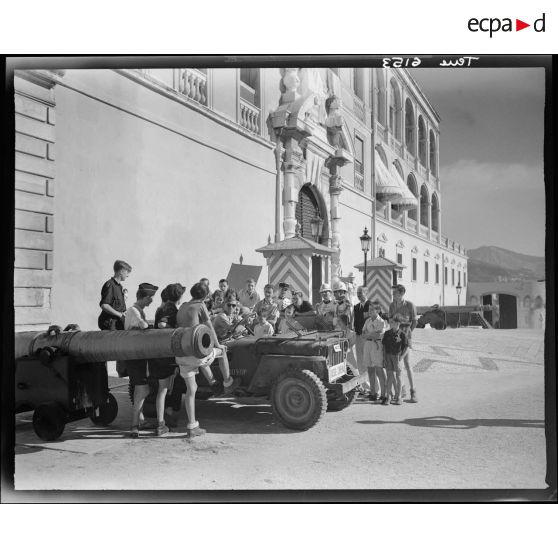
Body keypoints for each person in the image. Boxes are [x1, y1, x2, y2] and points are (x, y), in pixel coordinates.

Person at [176, 282, 233, 437]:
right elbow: (209, 326)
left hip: (181, 354)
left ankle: (192, 426)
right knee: (222, 352)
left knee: (191, 390)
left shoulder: (183, 306)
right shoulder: (200, 306)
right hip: (194, 354)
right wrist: (218, 344)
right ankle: (228, 383)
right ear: (206, 295)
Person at [149, 283, 185, 436]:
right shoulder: (170, 309)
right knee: (163, 389)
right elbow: (162, 324)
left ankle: (165, 417)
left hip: (159, 354)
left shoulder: (161, 308)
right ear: (178, 296)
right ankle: (161, 423)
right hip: (165, 355)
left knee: (166, 388)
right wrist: (175, 332)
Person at [124, 282, 158, 437]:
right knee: (142, 389)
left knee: (141, 389)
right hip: (134, 357)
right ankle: (134, 425)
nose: (151, 301)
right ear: (145, 297)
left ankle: (139, 422)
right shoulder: (133, 310)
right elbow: (142, 325)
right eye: (151, 298)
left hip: (137, 356)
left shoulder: (137, 310)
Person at [388, 284, 418, 403]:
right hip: (395, 338)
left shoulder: (410, 305)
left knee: (407, 364)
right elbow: (390, 320)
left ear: (401, 293)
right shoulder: (391, 305)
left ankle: (413, 391)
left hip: (406, 338)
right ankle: (403, 388)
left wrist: (407, 334)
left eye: (394, 292)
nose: (392, 294)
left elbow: (415, 322)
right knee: (397, 364)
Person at [362, 301, 388, 402]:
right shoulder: (368, 321)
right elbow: (363, 334)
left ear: (378, 310)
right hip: (368, 345)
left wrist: (370, 334)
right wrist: (371, 334)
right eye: (369, 309)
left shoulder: (381, 322)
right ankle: (373, 393)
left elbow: (379, 335)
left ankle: (384, 394)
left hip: (376, 345)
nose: (369, 311)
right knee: (370, 369)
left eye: (372, 309)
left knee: (379, 370)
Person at [98, 259, 132, 331]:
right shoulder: (110, 285)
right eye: (127, 272)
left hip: (118, 325)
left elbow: (118, 307)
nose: (128, 275)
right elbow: (104, 305)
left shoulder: (119, 287)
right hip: (110, 325)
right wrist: (120, 315)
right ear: (121, 271)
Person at [382, 315, 408, 405]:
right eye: (390, 322)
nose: (390, 323)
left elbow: (406, 347)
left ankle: (399, 397)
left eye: (392, 322)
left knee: (399, 377)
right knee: (389, 377)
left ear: (398, 323)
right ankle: (388, 397)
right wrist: (384, 357)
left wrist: (401, 357)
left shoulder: (402, 334)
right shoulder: (387, 333)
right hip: (388, 356)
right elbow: (384, 346)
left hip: (397, 357)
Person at [353, 285, 372, 393]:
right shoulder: (356, 307)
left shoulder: (371, 305)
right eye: (357, 293)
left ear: (366, 293)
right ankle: (365, 387)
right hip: (358, 336)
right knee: (360, 362)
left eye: (360, 293)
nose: (358, 295)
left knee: (368, 362)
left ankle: (374, 389)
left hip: (368, 338)